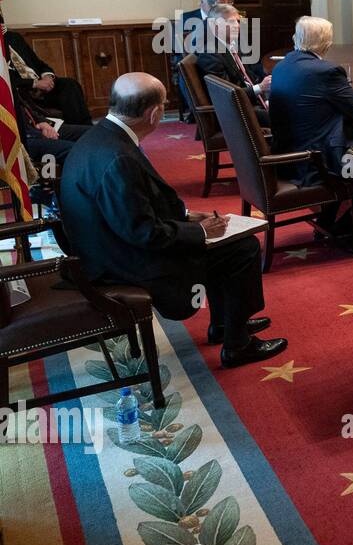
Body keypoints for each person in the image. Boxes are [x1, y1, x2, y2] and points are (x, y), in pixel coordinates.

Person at [58, 74, 287, 367]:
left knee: (230, 244)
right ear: (154, 113)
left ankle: (225, 325)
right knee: (243, 249)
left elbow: (131, 209)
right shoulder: (120, 159)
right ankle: (237, 343)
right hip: (122, 263)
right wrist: (198, 232)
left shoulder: (100, 136)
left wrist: (187, 217)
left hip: (102, 247)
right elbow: (144, 234)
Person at [269, 16, 353, 187]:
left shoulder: (281, 66)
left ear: (296, 38)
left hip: (285, 157)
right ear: (327, 43)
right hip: (316, 162)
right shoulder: (326, 71)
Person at [0, 0, 91, 124]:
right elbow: (7, 79)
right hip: (23, 93)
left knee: (69, 85)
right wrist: (34, 84)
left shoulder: (14, 38)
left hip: (42, 89)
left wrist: (48, 77)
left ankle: (85, 128)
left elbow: (40, 64)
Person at [196, 4, 271, 126]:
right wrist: (260, 87)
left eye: (237, 21)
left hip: (249, 102)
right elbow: (227, 94)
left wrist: (265, 95)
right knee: (285, 117)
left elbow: (248, 77)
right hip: (234, 112)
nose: (237, 26)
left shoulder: (232, 46)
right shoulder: (210, 55)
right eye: (231, 22)